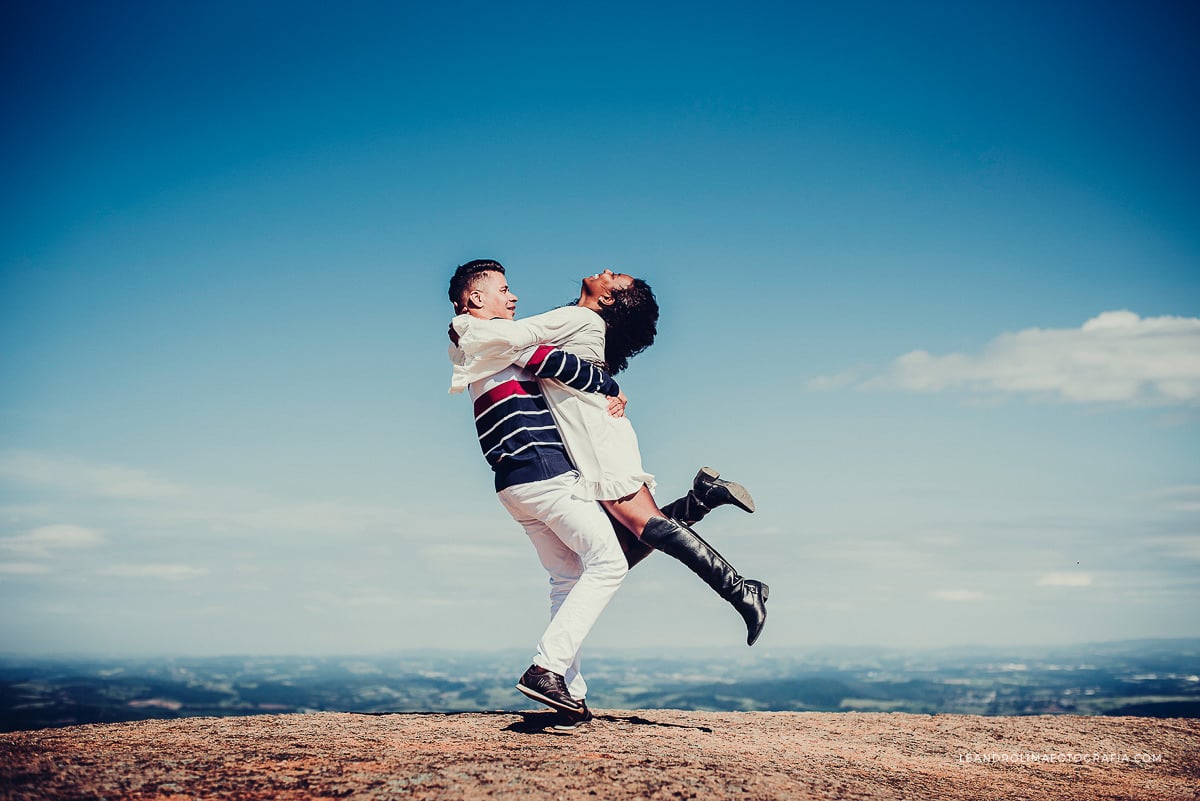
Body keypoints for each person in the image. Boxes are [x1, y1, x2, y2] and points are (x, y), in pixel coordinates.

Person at [450, 266, 769, 648]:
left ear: (606, 299)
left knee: (635, 534)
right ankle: (700, 503)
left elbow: (515, 342)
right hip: (588, 438)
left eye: (613, 276)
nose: (604, 270)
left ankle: (739, 588)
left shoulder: (580, 316)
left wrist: (463, 327)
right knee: (617, 549)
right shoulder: (578, 320)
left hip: (595, 438)